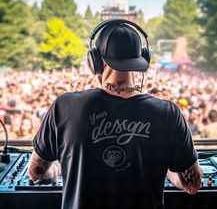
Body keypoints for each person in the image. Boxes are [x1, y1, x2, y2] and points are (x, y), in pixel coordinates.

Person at [28, 19, 202, 209]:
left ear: (94, 60)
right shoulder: (168, 113)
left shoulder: (65, 106)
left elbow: (36, 172)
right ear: (142, 59)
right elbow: (192, 185)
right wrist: (167, 169)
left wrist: (60, 167)